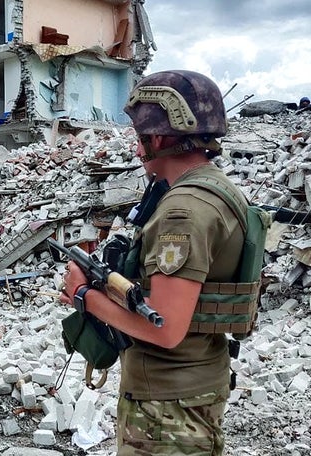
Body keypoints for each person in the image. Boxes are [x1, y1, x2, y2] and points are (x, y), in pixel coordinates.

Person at [60, 70, 246, 455]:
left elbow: (165, 329)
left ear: (157, 138)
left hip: (167, 407)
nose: (137, 147)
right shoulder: (218, 190)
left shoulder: (183, 211)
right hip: (193, 388)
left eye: (140, 137)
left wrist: (82, 295)